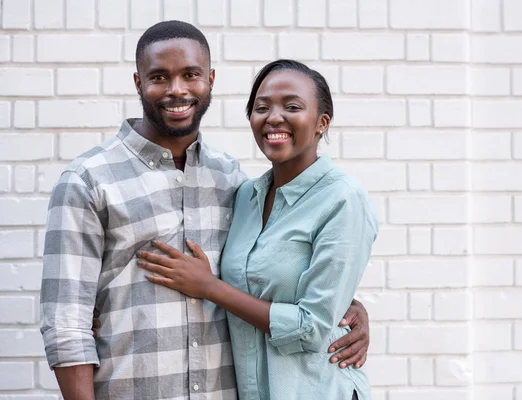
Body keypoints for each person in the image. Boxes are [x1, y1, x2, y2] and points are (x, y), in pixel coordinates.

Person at [40, 21, 370, 400]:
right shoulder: (88, 180)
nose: (177, 90)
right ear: (138, 83)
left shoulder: (230, 179)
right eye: (159, 77)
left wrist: (345, 308)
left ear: (210, 80)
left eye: (191, 75)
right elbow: (66, 323)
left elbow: (269, 271)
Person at [136, 59, 378, 399]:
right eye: (261, 107)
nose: (274, 117)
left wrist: (208, 287)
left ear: (322, 123)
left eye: (292, 106)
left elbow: (312, 329)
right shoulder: (245, 196)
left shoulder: (343, 199)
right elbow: (269, 280)